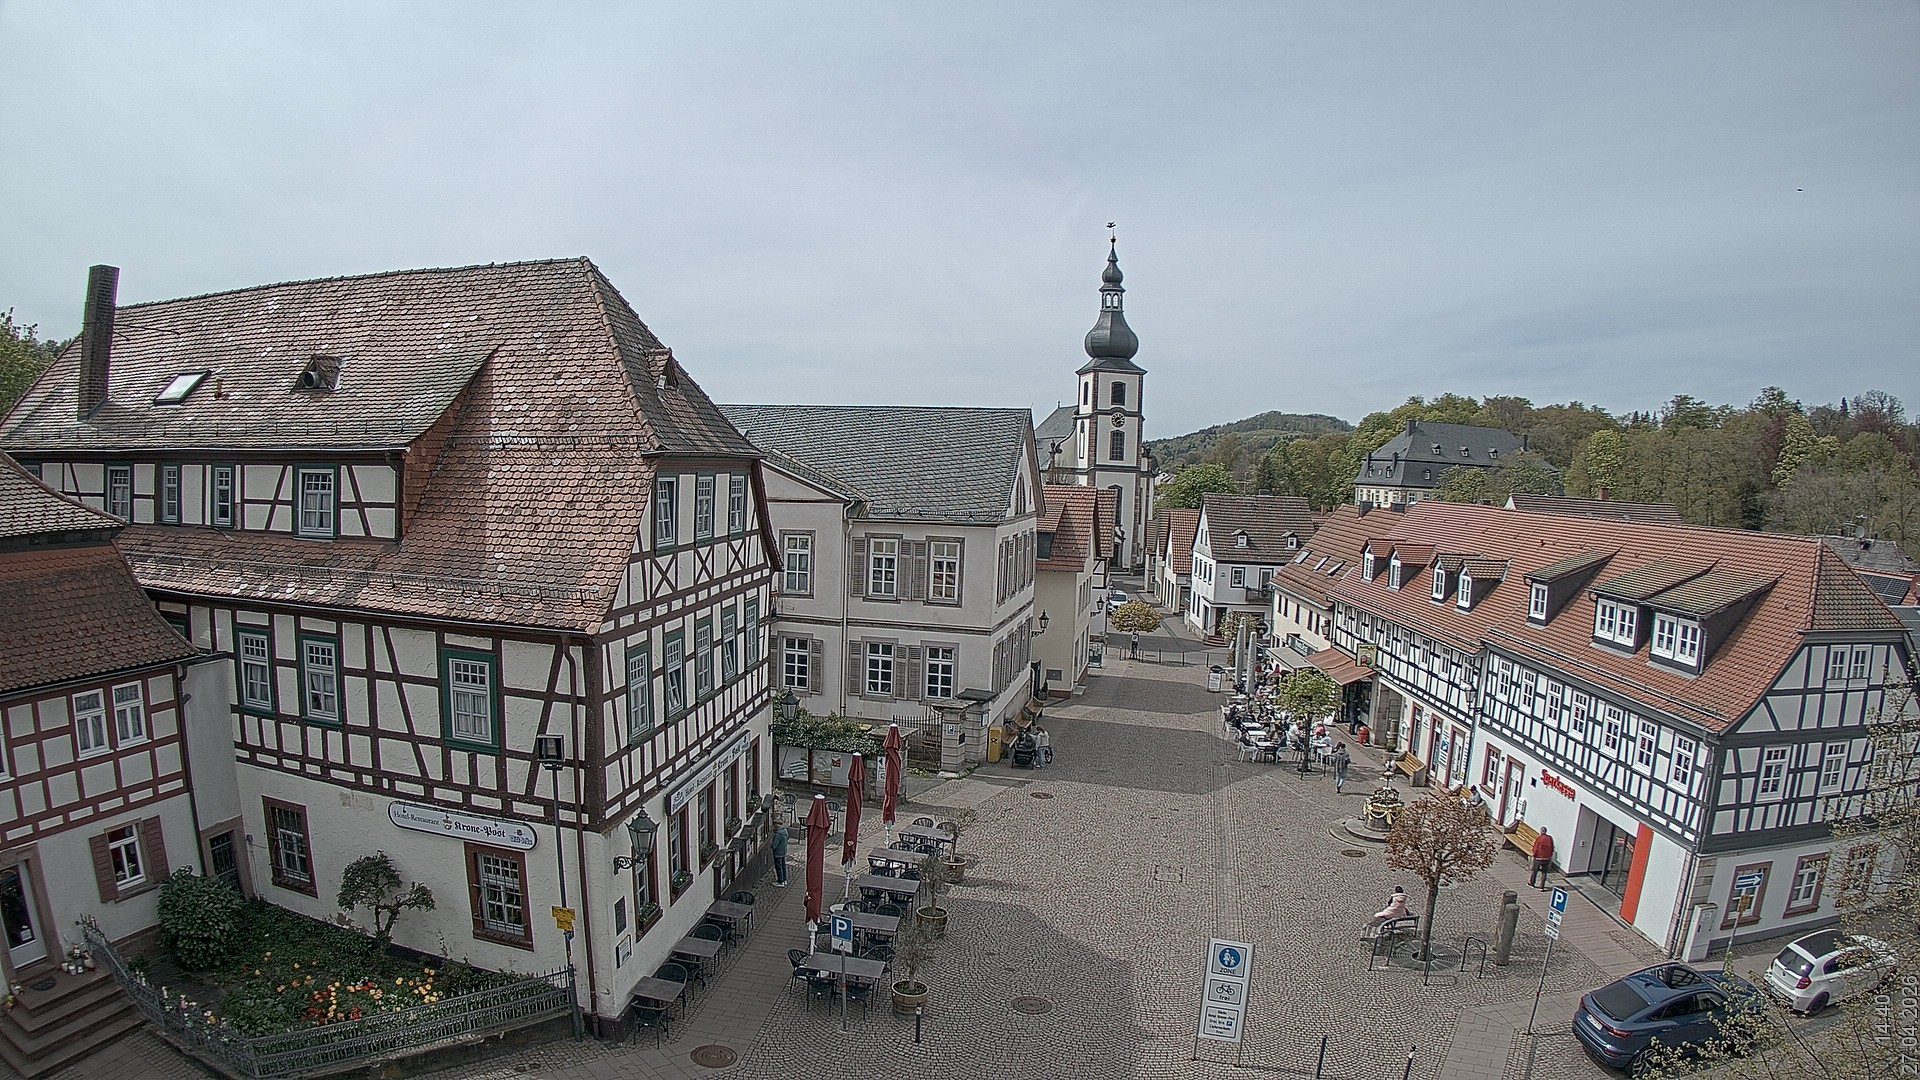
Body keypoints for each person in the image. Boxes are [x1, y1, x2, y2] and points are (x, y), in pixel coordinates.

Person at [771, 820, 790, 887]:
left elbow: (774, 846)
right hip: (783, 851)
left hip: (778, 853)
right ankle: (784, 880)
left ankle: (780, 881)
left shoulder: (778, 835)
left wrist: (771, 842)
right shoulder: (785, 831)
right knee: (783, 866)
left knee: (778, 867)